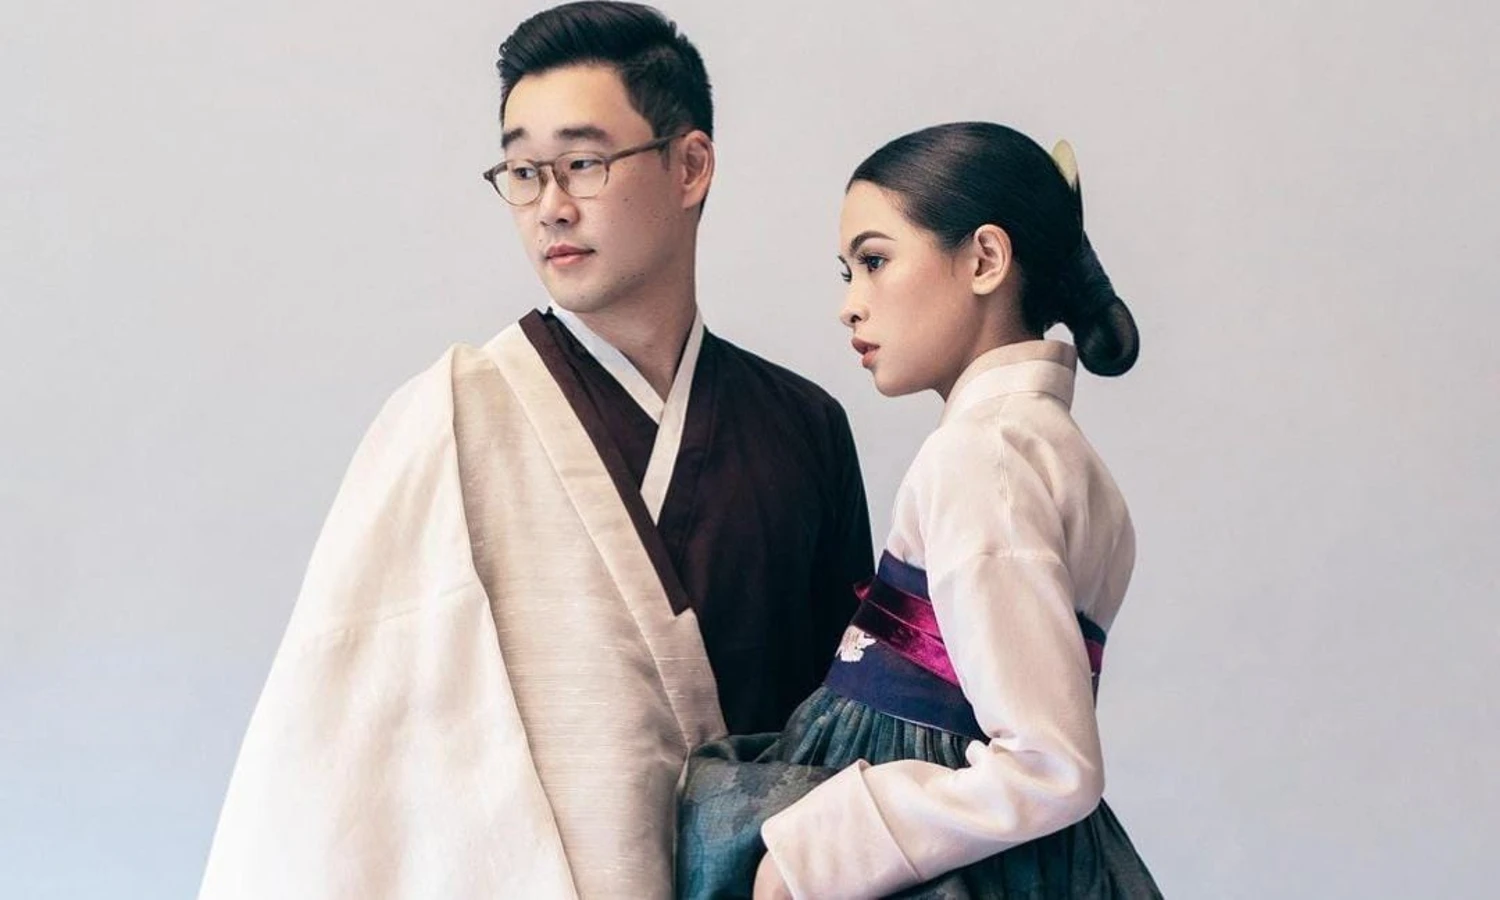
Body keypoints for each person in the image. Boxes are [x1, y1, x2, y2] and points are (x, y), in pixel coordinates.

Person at [197, 4, 873, 898]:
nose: (551, 204)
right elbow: (351, 739)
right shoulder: (445, 424)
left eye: (584, 163)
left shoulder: (803, 426)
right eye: (522, 171)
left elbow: (849, 729)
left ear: (690, 166)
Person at [677, 123, 1162, 899]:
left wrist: (815, 859)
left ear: (985, 260)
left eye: (874, 262)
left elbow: (1049, 763)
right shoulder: (1057, 455)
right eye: (848, 273)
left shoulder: (982, 458)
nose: (849, 306)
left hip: (939, 860)